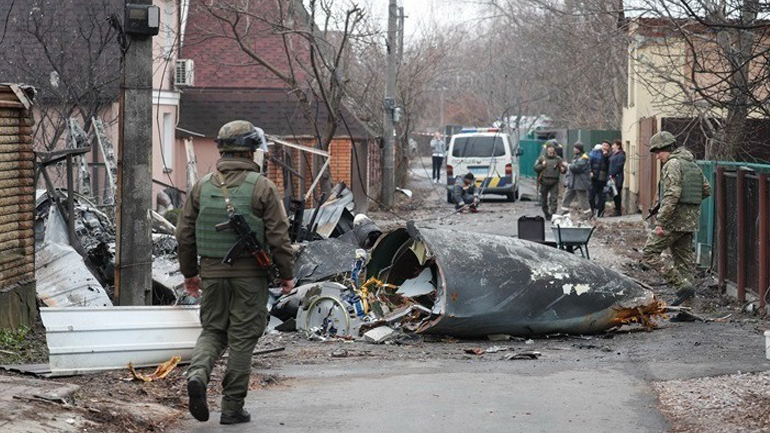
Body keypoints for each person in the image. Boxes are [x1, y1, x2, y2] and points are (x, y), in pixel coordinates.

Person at [176, 120, 295, 425]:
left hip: (212, 276)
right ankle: (231, 408)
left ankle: (198, 376)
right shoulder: (263, 187)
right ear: (251, 151)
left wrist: (190, 273)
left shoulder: (201, 186)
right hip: (250, 278)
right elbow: (279, 237)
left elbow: (184, 234)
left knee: (213, 331)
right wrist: (286, 274)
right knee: (242, 338)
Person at [641, 131, 711, 312]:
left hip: (673, 221)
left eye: (658, 152)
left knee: (649, 253)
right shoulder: (691, 164)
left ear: (668, 149)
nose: (657, 157)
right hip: (689, 221)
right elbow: (706, 189)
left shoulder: (672, 164)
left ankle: (682, 286)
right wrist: (688, 206)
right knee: (683, 262)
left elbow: (672, 194)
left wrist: (661, 222)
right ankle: (688, 309)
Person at [534, 143, 566, 220]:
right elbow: (535, 167)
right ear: (547, 149)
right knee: (543, 200)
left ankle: (553, 214)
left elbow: (563, 169)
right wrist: (542, 165)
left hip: (554, 182)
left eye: (552, 148)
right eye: (550, 148)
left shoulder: (558, 159)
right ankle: (546, 213)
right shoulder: (542, 158)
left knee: (554, 199)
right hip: (544, 182)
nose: (551, 149)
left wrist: (563, 169)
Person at [560, 142, 592, 218]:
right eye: (574, 147)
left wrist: (567, 165)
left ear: (579, 149)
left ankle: (588, 214)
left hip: (580, 182)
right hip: (573, 182)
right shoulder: (577, 157)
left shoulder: (584, 158)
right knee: (567, 196)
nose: (574, 149)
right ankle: (564, 211)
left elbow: (576, 168)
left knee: (582, 199)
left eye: (576, 148)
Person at [589, 141, 611, 217]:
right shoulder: (594, 153)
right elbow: (589, 163)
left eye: (607, 146)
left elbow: (609, 165)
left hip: (604, 180)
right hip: (594, 179)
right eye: (604, 145)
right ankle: (592, 211)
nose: (605, 147)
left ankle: (600, 212)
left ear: (609, 148)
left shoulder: (610, 155)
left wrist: (606, 156)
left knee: (602, 198)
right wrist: (590, 171)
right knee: (591, 196)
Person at [608, 140, 626, 216]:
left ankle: (618, 210)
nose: (612, 146)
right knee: (614, 194)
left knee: (617, 194)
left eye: (614, 144)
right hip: (612, 176)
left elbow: (619, 166)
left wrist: (612, 173)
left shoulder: (621, 155)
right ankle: (616, 209)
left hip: (617, 177)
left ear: (618, 146)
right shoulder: (613, 154)